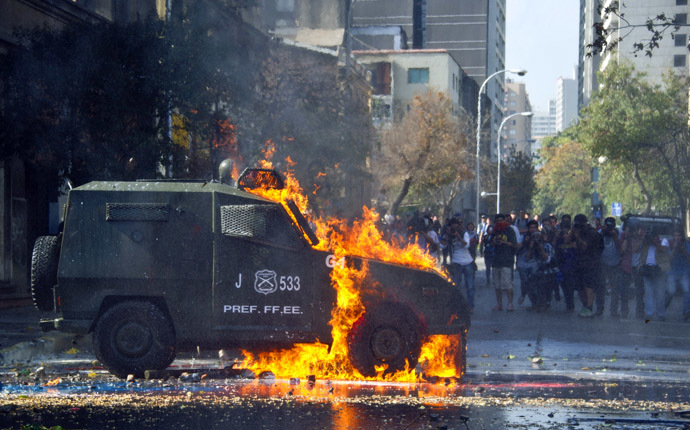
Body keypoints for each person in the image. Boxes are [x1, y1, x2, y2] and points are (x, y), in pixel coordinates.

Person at [569, 214, 603, 318]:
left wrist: (577, 236)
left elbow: (584, 247)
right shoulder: (577, 231)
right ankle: (585, 306)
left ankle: (589, 307)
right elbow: (567, 241)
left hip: (591, 263)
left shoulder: (591, 232)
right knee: (579, 287)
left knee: (589, 286)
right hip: (579, 263)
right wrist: (572, 232)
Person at [441, 218, 475, 313]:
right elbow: (442, 246)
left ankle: (470, 306)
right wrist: (447, 235)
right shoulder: (448, 235)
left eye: (457, 227)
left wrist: (458, 236)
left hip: (468, 262)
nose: (455, 229)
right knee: (456, 286)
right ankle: (457, 306)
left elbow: (466, 245)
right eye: (453, 227)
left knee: (470, 287)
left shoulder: (464, 234)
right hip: (456, 262)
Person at [637, 228, 670, 320]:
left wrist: (654, 242)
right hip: (647, 269)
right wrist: (644, 240)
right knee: (648, 292)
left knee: (660, 293)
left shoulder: (663, 241)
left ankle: (661, 314)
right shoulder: (645, 244)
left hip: (659, 270)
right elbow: (636, 249)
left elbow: (664, 249)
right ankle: (649, 313)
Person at [516, 220, 549, 308]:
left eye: (534, 227)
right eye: (531, 228)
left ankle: (536, 302)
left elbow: (545, 246)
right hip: (522, 263)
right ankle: (524, 295)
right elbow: (517, 247)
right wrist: (525, 242)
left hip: (534, 263)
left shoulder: (539, 236)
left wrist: (539, 241)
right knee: (525, 282)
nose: (533, 230)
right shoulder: (523, 237)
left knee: (534, 282)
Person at [489, 213, 518, 311]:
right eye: (497, 221)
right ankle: (499, 304)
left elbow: (514, 244)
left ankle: (510, 303)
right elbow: (491, 245)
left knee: (507, 284)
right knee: (497, 285)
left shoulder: (509, 230)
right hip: (496, 260)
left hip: (507, 260)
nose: (499, 222)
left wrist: (503, 242)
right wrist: (494, 240)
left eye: (501, 220)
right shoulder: (494, 231)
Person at [600, 217, 625, 317]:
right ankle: (600, 308)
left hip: (615, 264)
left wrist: (614, 236)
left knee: (615, 288)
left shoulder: (619, 234)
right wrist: (602, 233)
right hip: (602, 263)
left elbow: (621, 250)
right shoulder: (600, 233)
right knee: (601, 288)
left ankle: (613, 310)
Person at [555, 214, 577, 312]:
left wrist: (570, 237)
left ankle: (570, 304)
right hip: (561, 264)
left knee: (570, 285)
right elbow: (553, 246)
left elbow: (576, 247)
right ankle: (567, 301)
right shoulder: (559, 237)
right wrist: (557, 236)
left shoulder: (573, 236)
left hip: (571, 264)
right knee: (563, 285)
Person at [666, 230, 690, 321]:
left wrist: (684, 250)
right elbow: (668, 260)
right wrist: (675, 249)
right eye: (675, 235)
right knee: (671, 291)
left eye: (679, 235)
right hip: (672, 272)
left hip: (684, 272)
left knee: (687, 291)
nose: (677, 237)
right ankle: (664, 305)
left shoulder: (687, 246)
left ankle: (686, 311)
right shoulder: (671, 245)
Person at [480, 217, 494, 287]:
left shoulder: (495, 236)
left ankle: (495, 280)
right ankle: (488, 280)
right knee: (487, 268)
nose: (490, 230)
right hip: (487, 253)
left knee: (494, 268)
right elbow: (483, 243)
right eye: (489, 229)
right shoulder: (485, 236)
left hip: (493, 253)